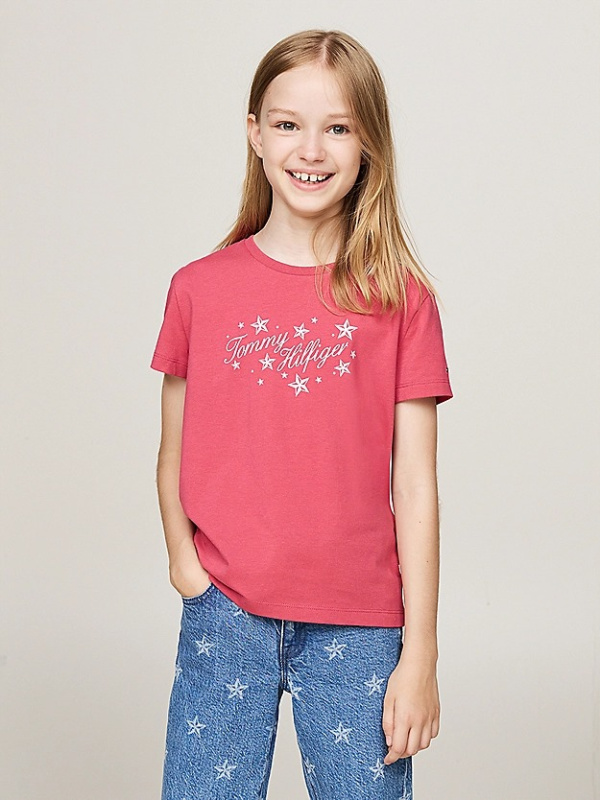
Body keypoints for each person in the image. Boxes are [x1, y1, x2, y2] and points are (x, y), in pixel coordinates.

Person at [150, 28, 453, 800]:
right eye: (288, 124)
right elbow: (173, 448)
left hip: (359, 628)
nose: (310, 150)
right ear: (255, 133)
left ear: (368, 144)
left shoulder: (401, 300)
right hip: (226, 614)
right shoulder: (199, 289)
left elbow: (416, 484)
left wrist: (420, 653)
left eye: (338, 127)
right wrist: (186, 566)